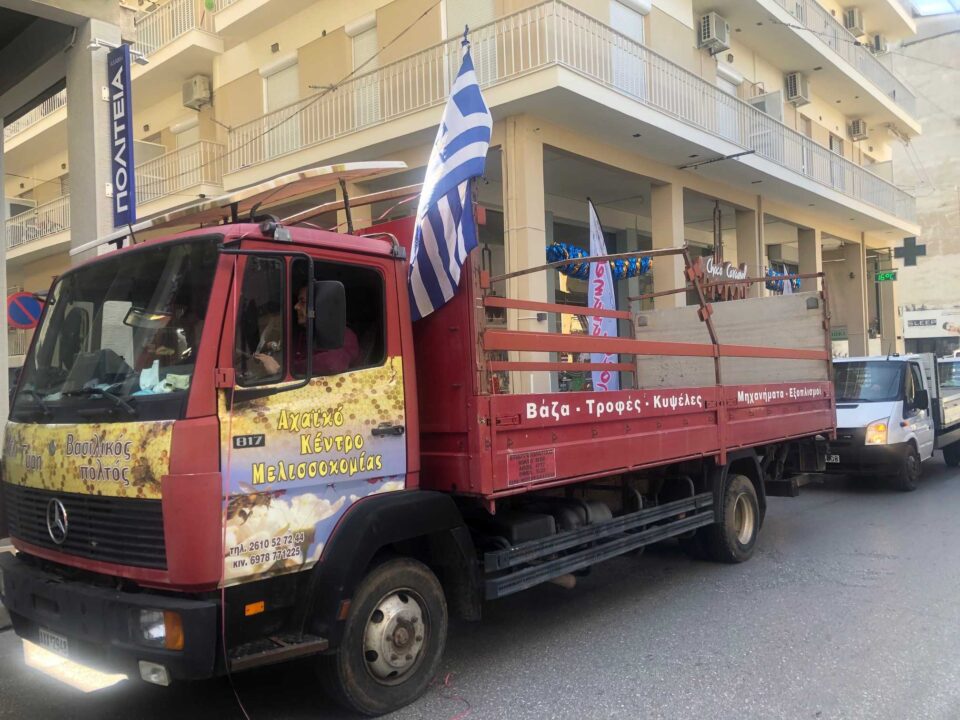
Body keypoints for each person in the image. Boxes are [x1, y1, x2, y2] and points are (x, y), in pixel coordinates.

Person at [253, 285, 360, 377]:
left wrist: (283, 369)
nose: (296, 307)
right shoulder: (303, 334)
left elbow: (332, 363)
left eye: (302, 302)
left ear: (321, 306)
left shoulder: (345, 335)